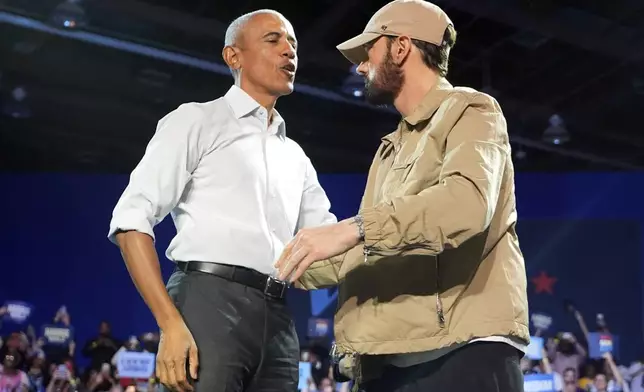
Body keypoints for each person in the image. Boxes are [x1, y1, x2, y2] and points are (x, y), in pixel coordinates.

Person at [275, 0, 529, 391]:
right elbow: (374, 245)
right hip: (392, 361)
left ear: (401, 47)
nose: (360, 66)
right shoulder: (391, 148)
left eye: (368, 51)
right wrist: (280, 259)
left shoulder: (472, 109)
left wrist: (355, 228)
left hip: (461, 353)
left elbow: (466, 205)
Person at [107, 9, 337, 392]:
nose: (289, 52)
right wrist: (169, 322)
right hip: (207, 304)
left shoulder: (296, 157)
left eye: (293, 43)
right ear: (234, 56)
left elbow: (330, 243)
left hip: (279, 318)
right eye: (274, 40)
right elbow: (132, 220)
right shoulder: (196, 121)